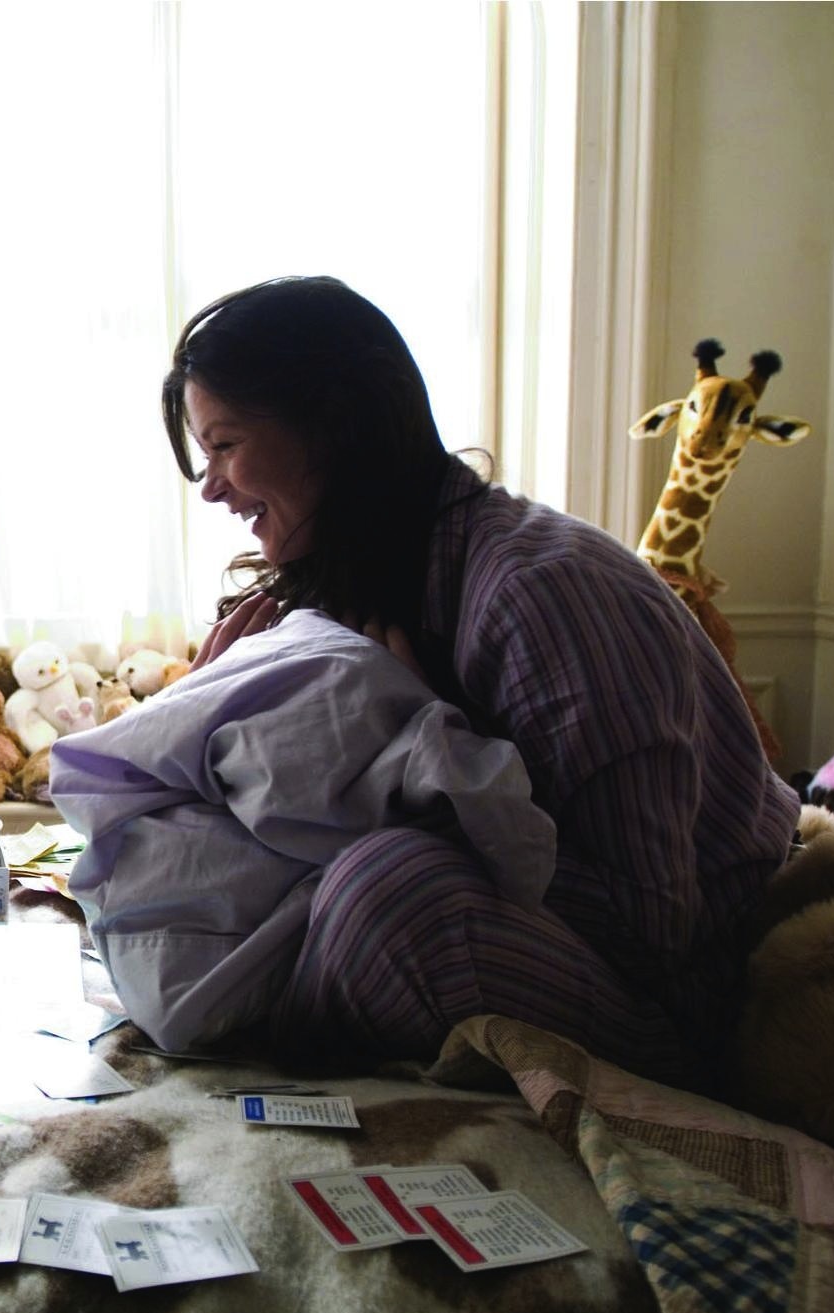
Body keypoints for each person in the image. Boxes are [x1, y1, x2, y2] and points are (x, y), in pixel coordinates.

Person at [60, 275, 796, 1091]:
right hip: (568, 944)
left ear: (333, 427)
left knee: (387, 894)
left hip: (681, 997)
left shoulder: (543, 593)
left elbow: (647, 933)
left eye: (226, 445)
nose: (212, 487)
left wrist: (430, 757)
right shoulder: (345, 580)